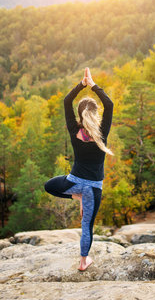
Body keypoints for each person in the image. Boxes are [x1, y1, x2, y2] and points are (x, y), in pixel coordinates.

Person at [44, 67, 113, 271]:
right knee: (87, 227)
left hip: (73, 182)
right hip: (93, 189)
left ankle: (77, 196)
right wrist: (92, 85)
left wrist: (81, 85)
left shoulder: (75, 130)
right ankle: (83, 261)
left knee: (49, 185)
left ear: (80, 115)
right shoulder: (102, 133)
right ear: (96, 114)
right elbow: (109, 103)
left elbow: (66, 101)